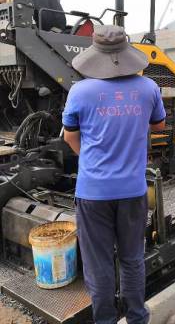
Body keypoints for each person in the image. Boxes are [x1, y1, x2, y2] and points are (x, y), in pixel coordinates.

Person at [62, 25, 165, 324]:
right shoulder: (148, 88)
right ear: (127, 53)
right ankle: (137, 318)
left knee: (99, 265)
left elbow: (70, 136)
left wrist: (91, 160)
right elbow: (158, 126)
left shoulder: (80, 91)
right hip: (133, 191)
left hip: (93, 193)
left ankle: (105, 320)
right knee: (133, 260)